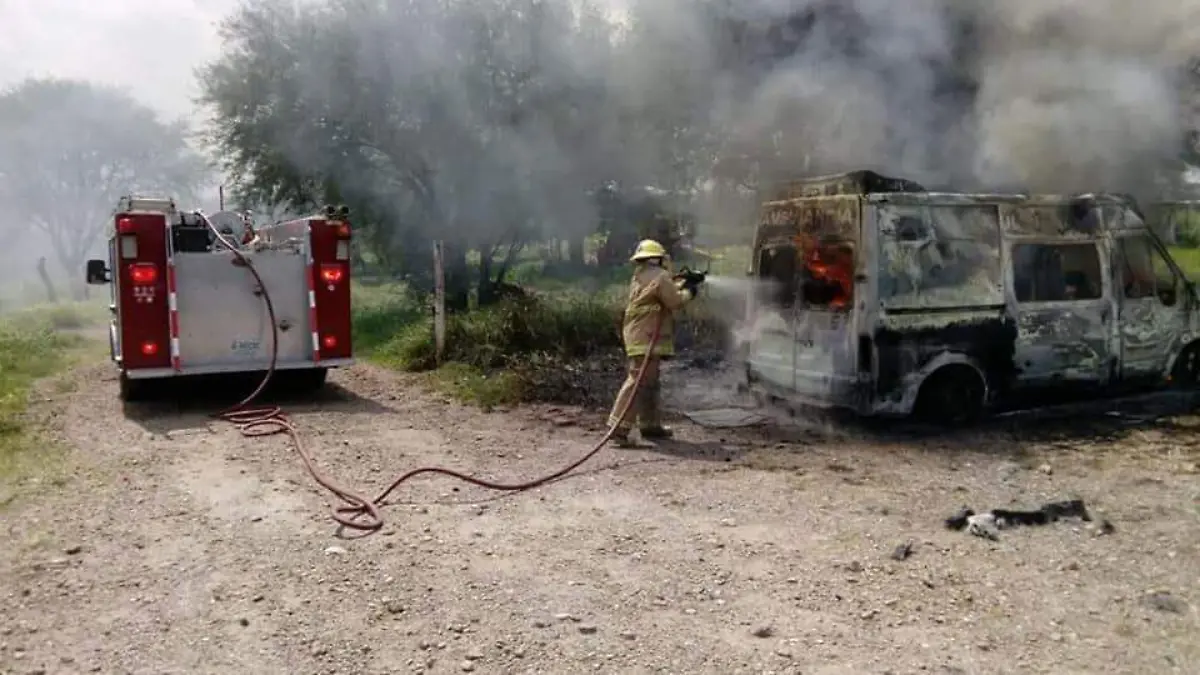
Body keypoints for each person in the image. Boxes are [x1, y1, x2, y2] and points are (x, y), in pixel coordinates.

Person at [607, 239, 704, 447]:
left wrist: (680, 281)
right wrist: (690, 291)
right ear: (657, 259)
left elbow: (661, 291)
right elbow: (674, 301)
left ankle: (649, 425)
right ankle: (618, 428)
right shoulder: (659, 277)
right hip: (646, 337)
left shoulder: (642, 276)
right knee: (638, 380)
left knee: (650, 382)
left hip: (640, 336)